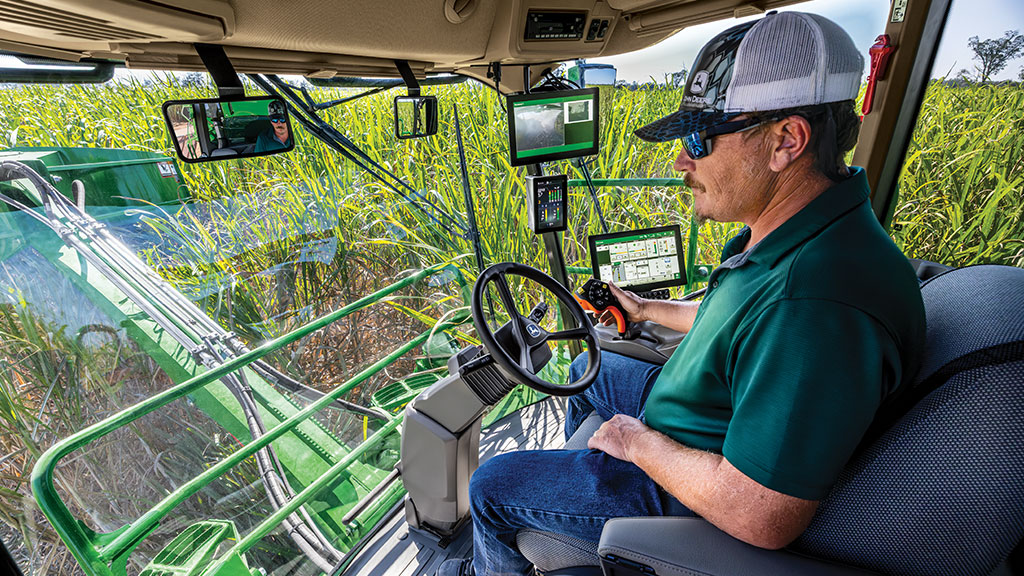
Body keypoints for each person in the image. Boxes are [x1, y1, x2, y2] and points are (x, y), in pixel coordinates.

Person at [438, 11, 926, 576]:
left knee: (492, 485)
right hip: (700, 420)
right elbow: (740, 326)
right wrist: (646, 310)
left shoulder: (814, 304)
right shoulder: (806, 236)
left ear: (786, 140)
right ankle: (570, 485)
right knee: (584, 366)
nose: (681, 161)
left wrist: (637, 444)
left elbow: (760, 513)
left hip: (689, 494)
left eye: (700, 139)